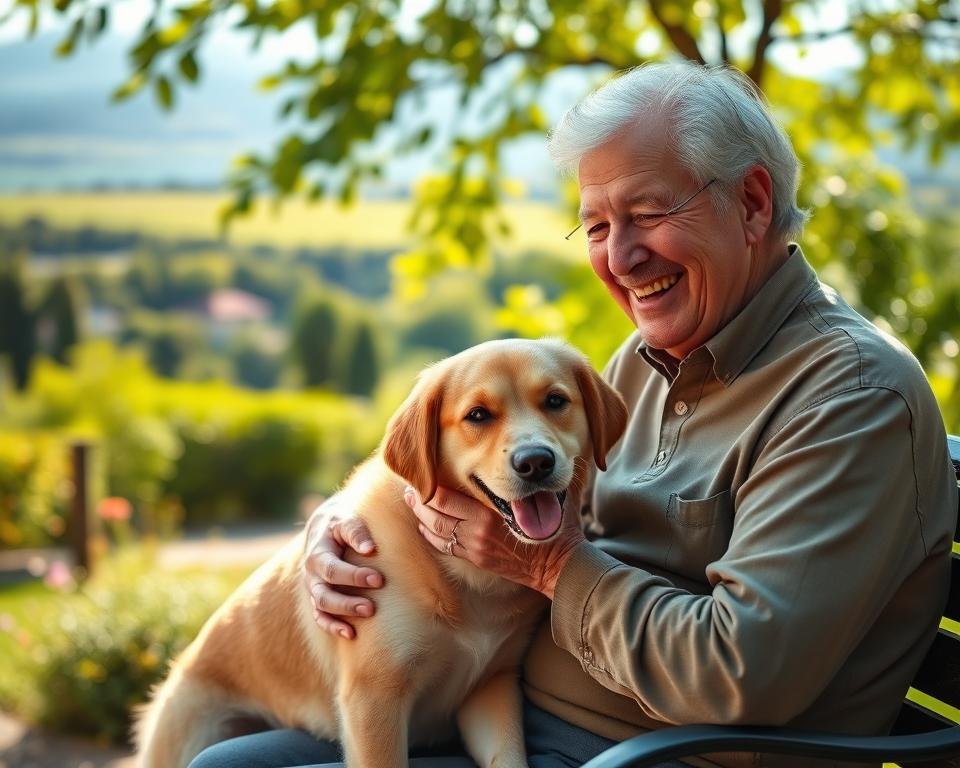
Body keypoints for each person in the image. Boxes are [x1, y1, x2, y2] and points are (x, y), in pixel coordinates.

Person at [189, 61, 958, 768]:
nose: (620, 258)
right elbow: (488, 470)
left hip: (648, 755)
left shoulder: (849, 398)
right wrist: (342, 531)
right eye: (596, 226)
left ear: (752, 204)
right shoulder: (648, 361)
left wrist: (550, 565)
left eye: (649, 213)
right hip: (511, 719)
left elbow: (740, 677)